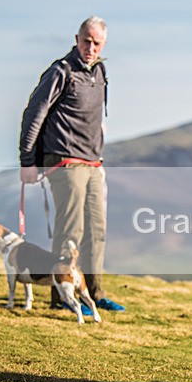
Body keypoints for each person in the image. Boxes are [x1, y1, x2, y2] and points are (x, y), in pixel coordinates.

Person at [19, 16, 124, 313]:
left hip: (92, 163)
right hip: (63, 162)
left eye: (97, 43)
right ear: (76, 39)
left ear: (103, 44)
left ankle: (94, 293)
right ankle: (62, 298)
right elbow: (33, 114)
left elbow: (96, 122)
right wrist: (28, 161)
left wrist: (99, 159)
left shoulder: (100, 72)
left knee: (96, 231)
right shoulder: (59, 72)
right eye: (86, 41)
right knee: (71, 232)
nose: (90, 48)